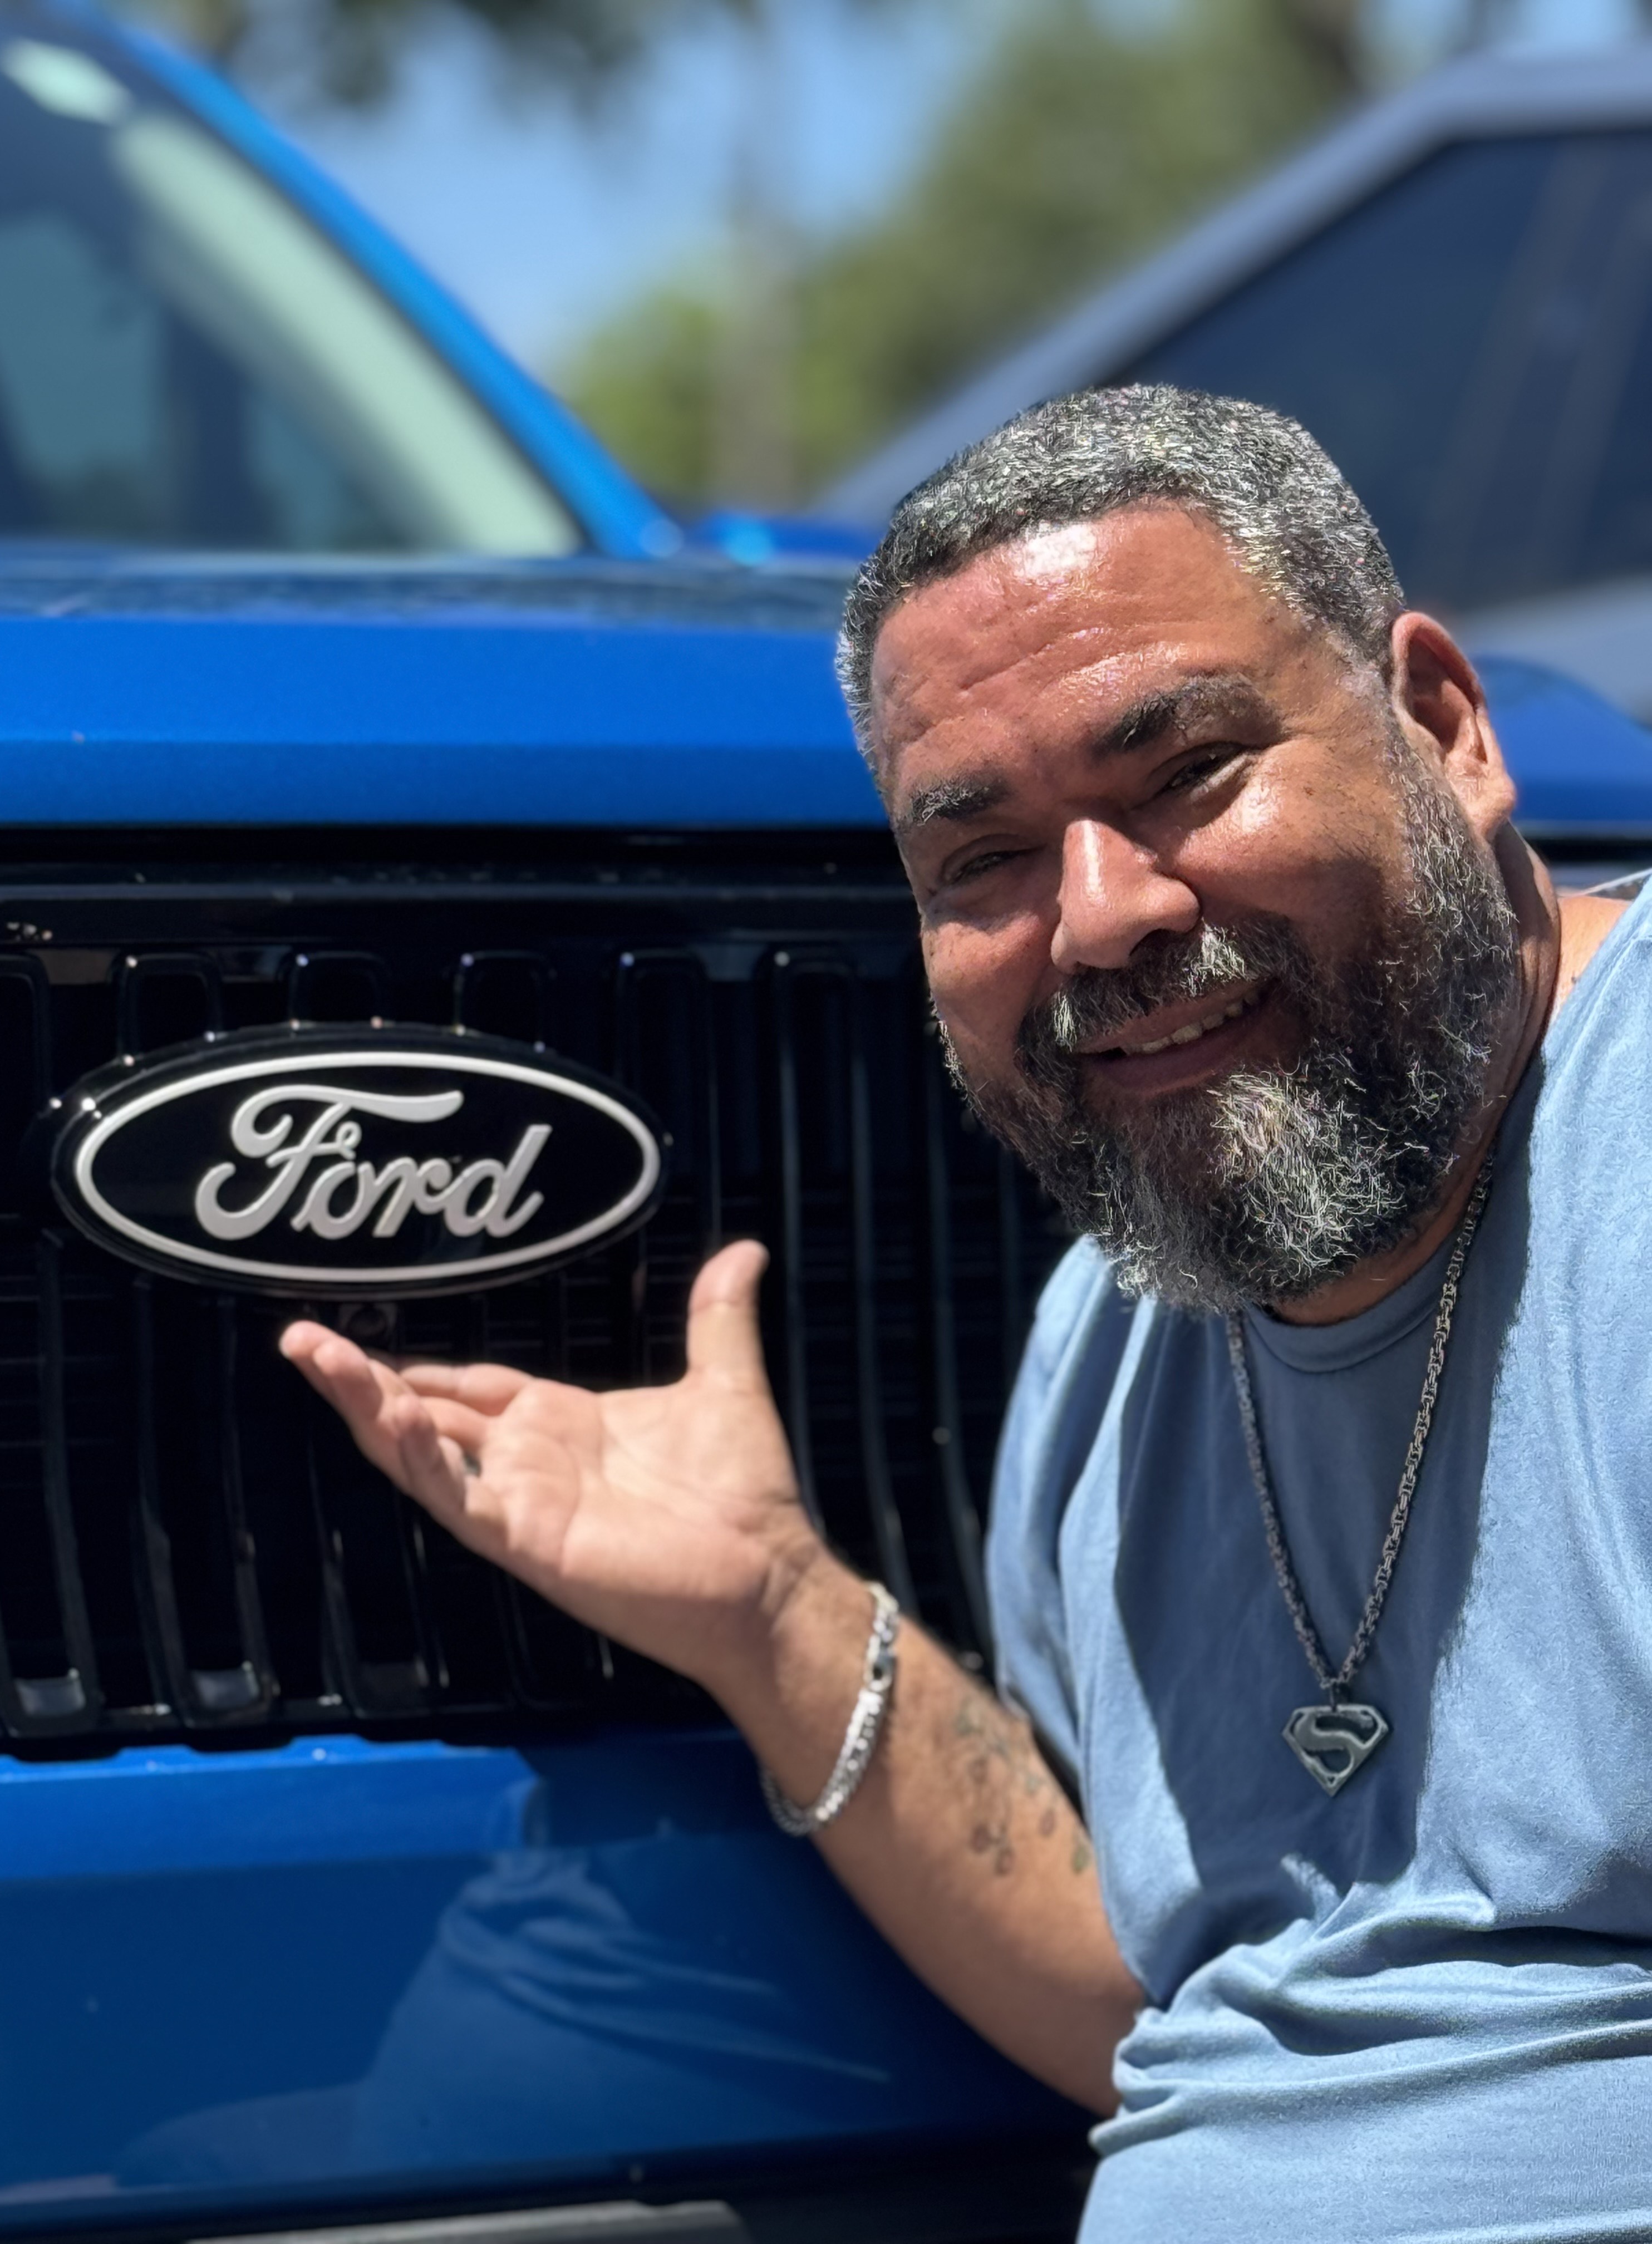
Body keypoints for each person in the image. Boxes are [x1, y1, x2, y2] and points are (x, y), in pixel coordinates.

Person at [280, 385, 1652, 2241]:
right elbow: (1180, 2004)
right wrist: (774, 1609)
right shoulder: (1120, 1329)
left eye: (1183, 773)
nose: (1095, 917)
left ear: (1442, 723)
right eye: (982, 861)